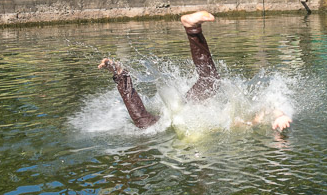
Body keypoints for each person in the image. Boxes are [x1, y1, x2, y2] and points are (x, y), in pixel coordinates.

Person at [99, 11, 292, 131]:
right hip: (187, 113)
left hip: (182, 117)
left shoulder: (236, 123)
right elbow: (265, 108)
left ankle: (120, 74)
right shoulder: (241, 121)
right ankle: (192, 28)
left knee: (145, 124)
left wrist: (280, 116)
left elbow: (264, 110)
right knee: (210, 82)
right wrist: (280, 115)